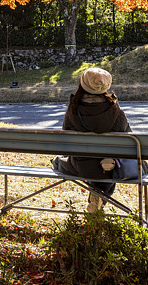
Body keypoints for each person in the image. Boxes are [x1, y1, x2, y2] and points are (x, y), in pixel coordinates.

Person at [52, 67, 131, 213]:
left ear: (83, 83)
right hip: (107, 167)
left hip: (79, 165)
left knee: (58, 162)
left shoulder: (73, 108)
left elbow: (65, 137)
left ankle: (97, 194)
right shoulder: (116, 110)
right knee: (109, 168)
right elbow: (128, 139)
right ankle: (99, 194)